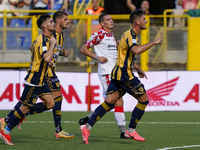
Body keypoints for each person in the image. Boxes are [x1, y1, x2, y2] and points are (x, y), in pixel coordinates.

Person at [79, 9, 164, 144]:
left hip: (117, 73)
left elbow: (123, 55)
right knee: (143, 100)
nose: (146, 20)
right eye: (144, 18)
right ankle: (130, 130)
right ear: (137, 21)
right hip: (124, 75)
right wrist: (153, 42)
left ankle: (87, 127)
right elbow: (135, 50)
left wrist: (137, 67)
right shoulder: (129, 35)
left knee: (110, 102)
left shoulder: (124, 35)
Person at [0, 11, 75, 140]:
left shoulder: (58, 35)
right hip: (42, 75)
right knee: (52, 98)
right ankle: (58, 130)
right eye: (65, 19)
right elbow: (37, 49)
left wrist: (60, 53)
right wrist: (46, 57)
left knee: (42, 102)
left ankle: (9, 119)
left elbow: (45, 50)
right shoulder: (50, 36)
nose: (68, 21)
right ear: (57, 21)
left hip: (44, 73)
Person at [79, 13, 127, 139]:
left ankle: (86, 121)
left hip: (115, 73)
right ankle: (123, 132)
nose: (111, 21)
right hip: (106, 73)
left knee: (110, 103)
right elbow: (83, 49)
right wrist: (97, 57)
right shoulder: (98, 34)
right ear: (102, 24)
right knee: (118, 101)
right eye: (108, 19)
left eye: (111, 18)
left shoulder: (110, 35)